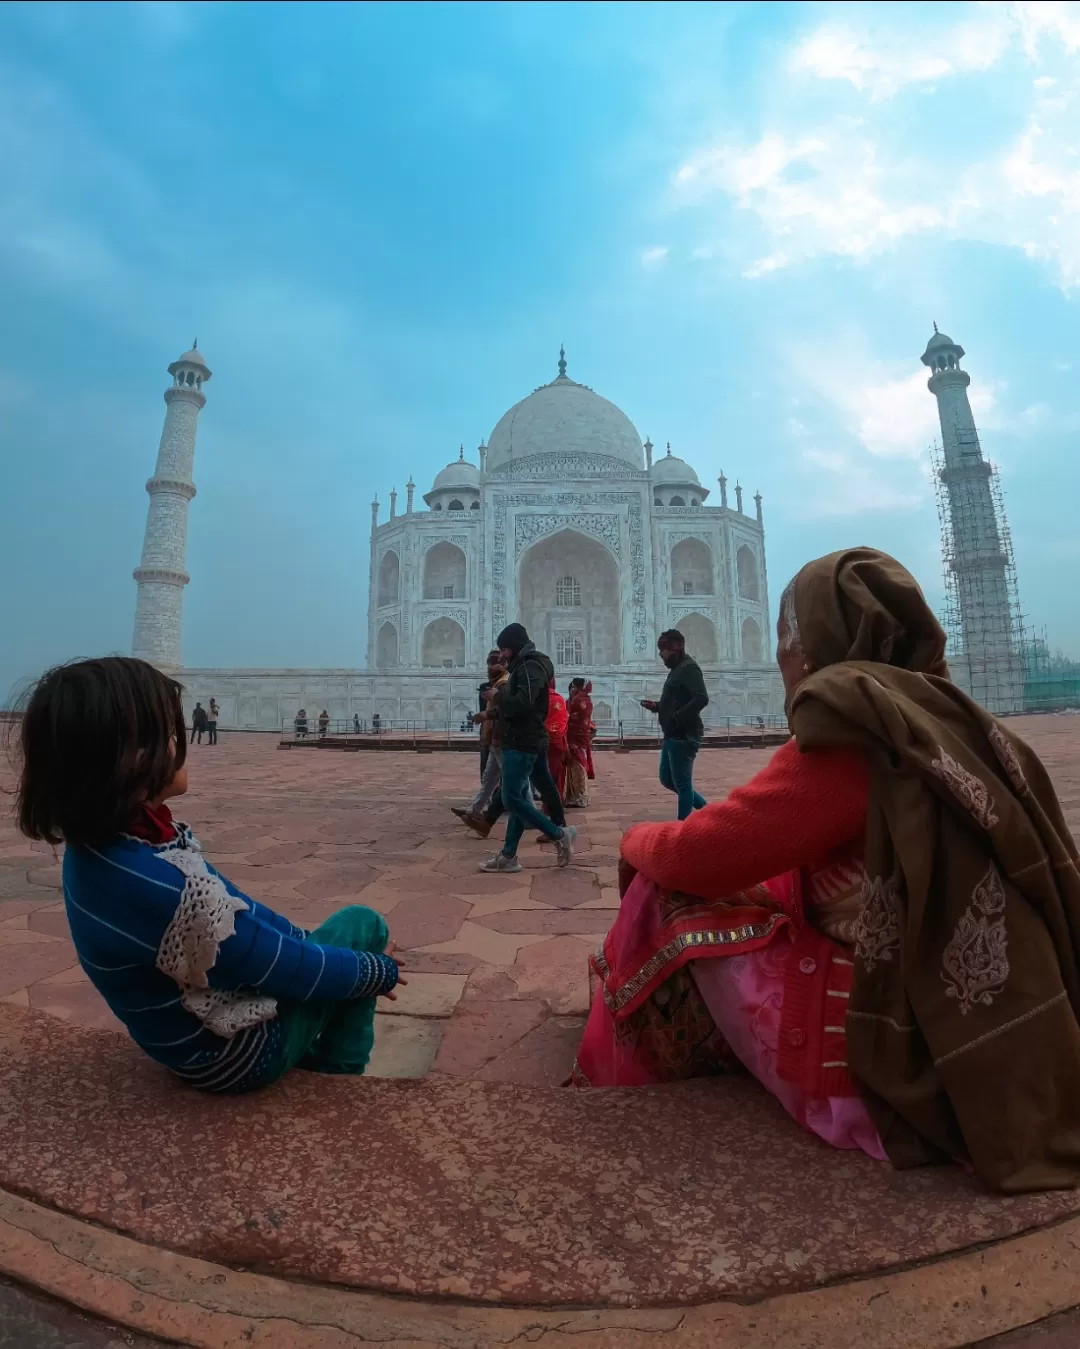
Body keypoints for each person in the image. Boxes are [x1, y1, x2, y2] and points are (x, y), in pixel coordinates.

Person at [572, 547, 1080, 1194]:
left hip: (903, 1057)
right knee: (774, 881)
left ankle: (673, 1051)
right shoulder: (945, 717)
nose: (782, 659)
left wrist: (635, 837)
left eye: (788, 642)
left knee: (667, 895)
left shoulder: (849, 730)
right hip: (1002, 1022)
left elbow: (698, 853)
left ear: (816, 647)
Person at [14, 657, 406, 1093]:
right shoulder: (156, 884)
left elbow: (244, 918)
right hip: (233, 1054)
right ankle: (337, 1075)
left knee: (329, 950)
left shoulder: (108, 848)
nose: (180, 741)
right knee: (365, 926)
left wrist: (309, 943)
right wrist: (376, 972)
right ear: (133, 759)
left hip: (178, 1041)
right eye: (170, 732)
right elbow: (275, 966)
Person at [477, 623, 575, 872]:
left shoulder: (529, 666)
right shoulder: (523, 665)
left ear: (515, 646)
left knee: (512, 798)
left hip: (523, 741)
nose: (502, 656)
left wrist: (496, 697)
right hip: (525, 738)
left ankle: (558, 833)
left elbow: (523, 703)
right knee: (519, 797)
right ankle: (509, 856)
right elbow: (517, 705)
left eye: (505, 650)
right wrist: (492, 712)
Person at [640, 629, 709, 819]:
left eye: (663, 650)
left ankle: (684, 827)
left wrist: (677, 717)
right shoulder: (677, 670)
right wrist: (657, 707)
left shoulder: (689, 668)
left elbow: (701, 698)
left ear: (674, 649)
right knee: (668, 779)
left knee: (682, 783)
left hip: (685, 735)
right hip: (674, 734)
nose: (661, 654)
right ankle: (708, 812)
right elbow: (676, 701)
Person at [453, 651, 508, 827]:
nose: (488, 668)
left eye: (492, 664)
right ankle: (475, 811)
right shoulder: (497, 683)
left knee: (514, 781)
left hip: (502, 738)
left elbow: (506, 710)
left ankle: (532, 818)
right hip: (493, 738)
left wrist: (487, 714)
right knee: (489, 778)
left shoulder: (505, 683)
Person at [565, 678, 596, 808]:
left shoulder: (581, 701)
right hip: (574, 736)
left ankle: (581, 797)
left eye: (574, 687)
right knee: (572, 767)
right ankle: (573, 797)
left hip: (577, 737)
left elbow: (571, 716)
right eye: (571, 687)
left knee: (578, 767)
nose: (572, 690)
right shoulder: (577, 700)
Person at [545, 688, 570, 802]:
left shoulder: (536, 698)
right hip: (557, 743)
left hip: (540, 740)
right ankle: (555, 803)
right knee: (555, 774)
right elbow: (565, 720)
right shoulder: (559, 699)